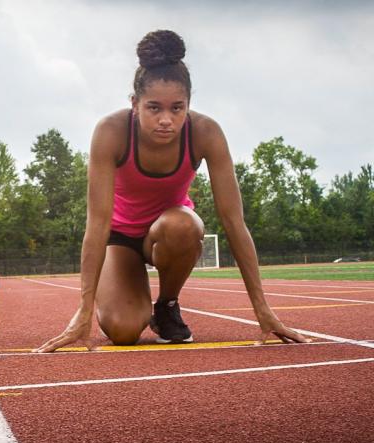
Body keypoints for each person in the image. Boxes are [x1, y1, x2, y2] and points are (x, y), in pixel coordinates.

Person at [36, 30, 309, 352]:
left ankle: (166, 305)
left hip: (169, 232)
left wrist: (263, 311)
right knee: (123, 332)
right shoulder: (111, 131)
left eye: (177, 108)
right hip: (120, 237)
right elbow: (97, 223)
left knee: (184, 224)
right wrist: (83, 313)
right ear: (134, 104)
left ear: (189, 105)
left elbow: (234, 223)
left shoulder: (205, 132)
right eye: (154, 108)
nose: (166, 120)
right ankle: (123, 299)